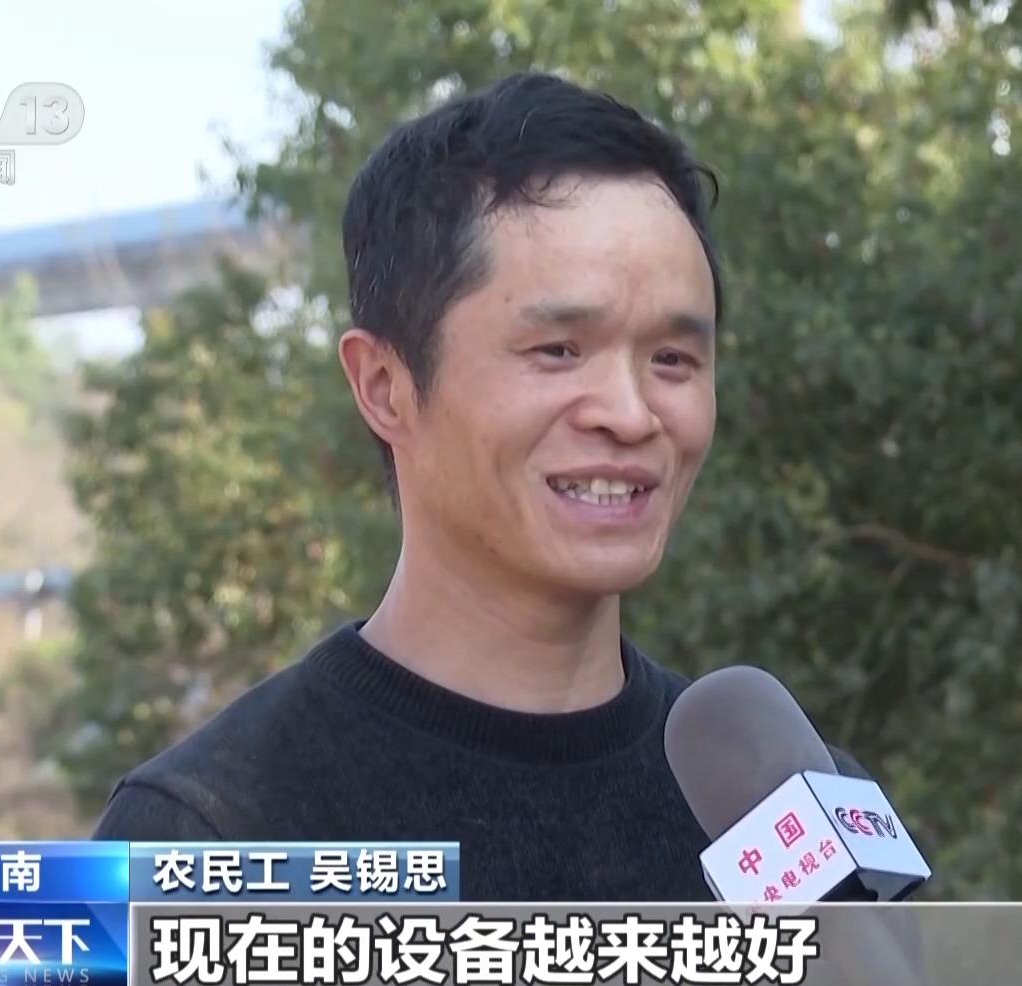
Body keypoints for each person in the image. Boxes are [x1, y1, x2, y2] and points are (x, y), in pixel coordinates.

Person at [90, 72, 891, 901]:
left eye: (673, 359)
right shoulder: (200, 838)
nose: (630, 414)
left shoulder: (791, 814)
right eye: (558, 352)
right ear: (384, 386)